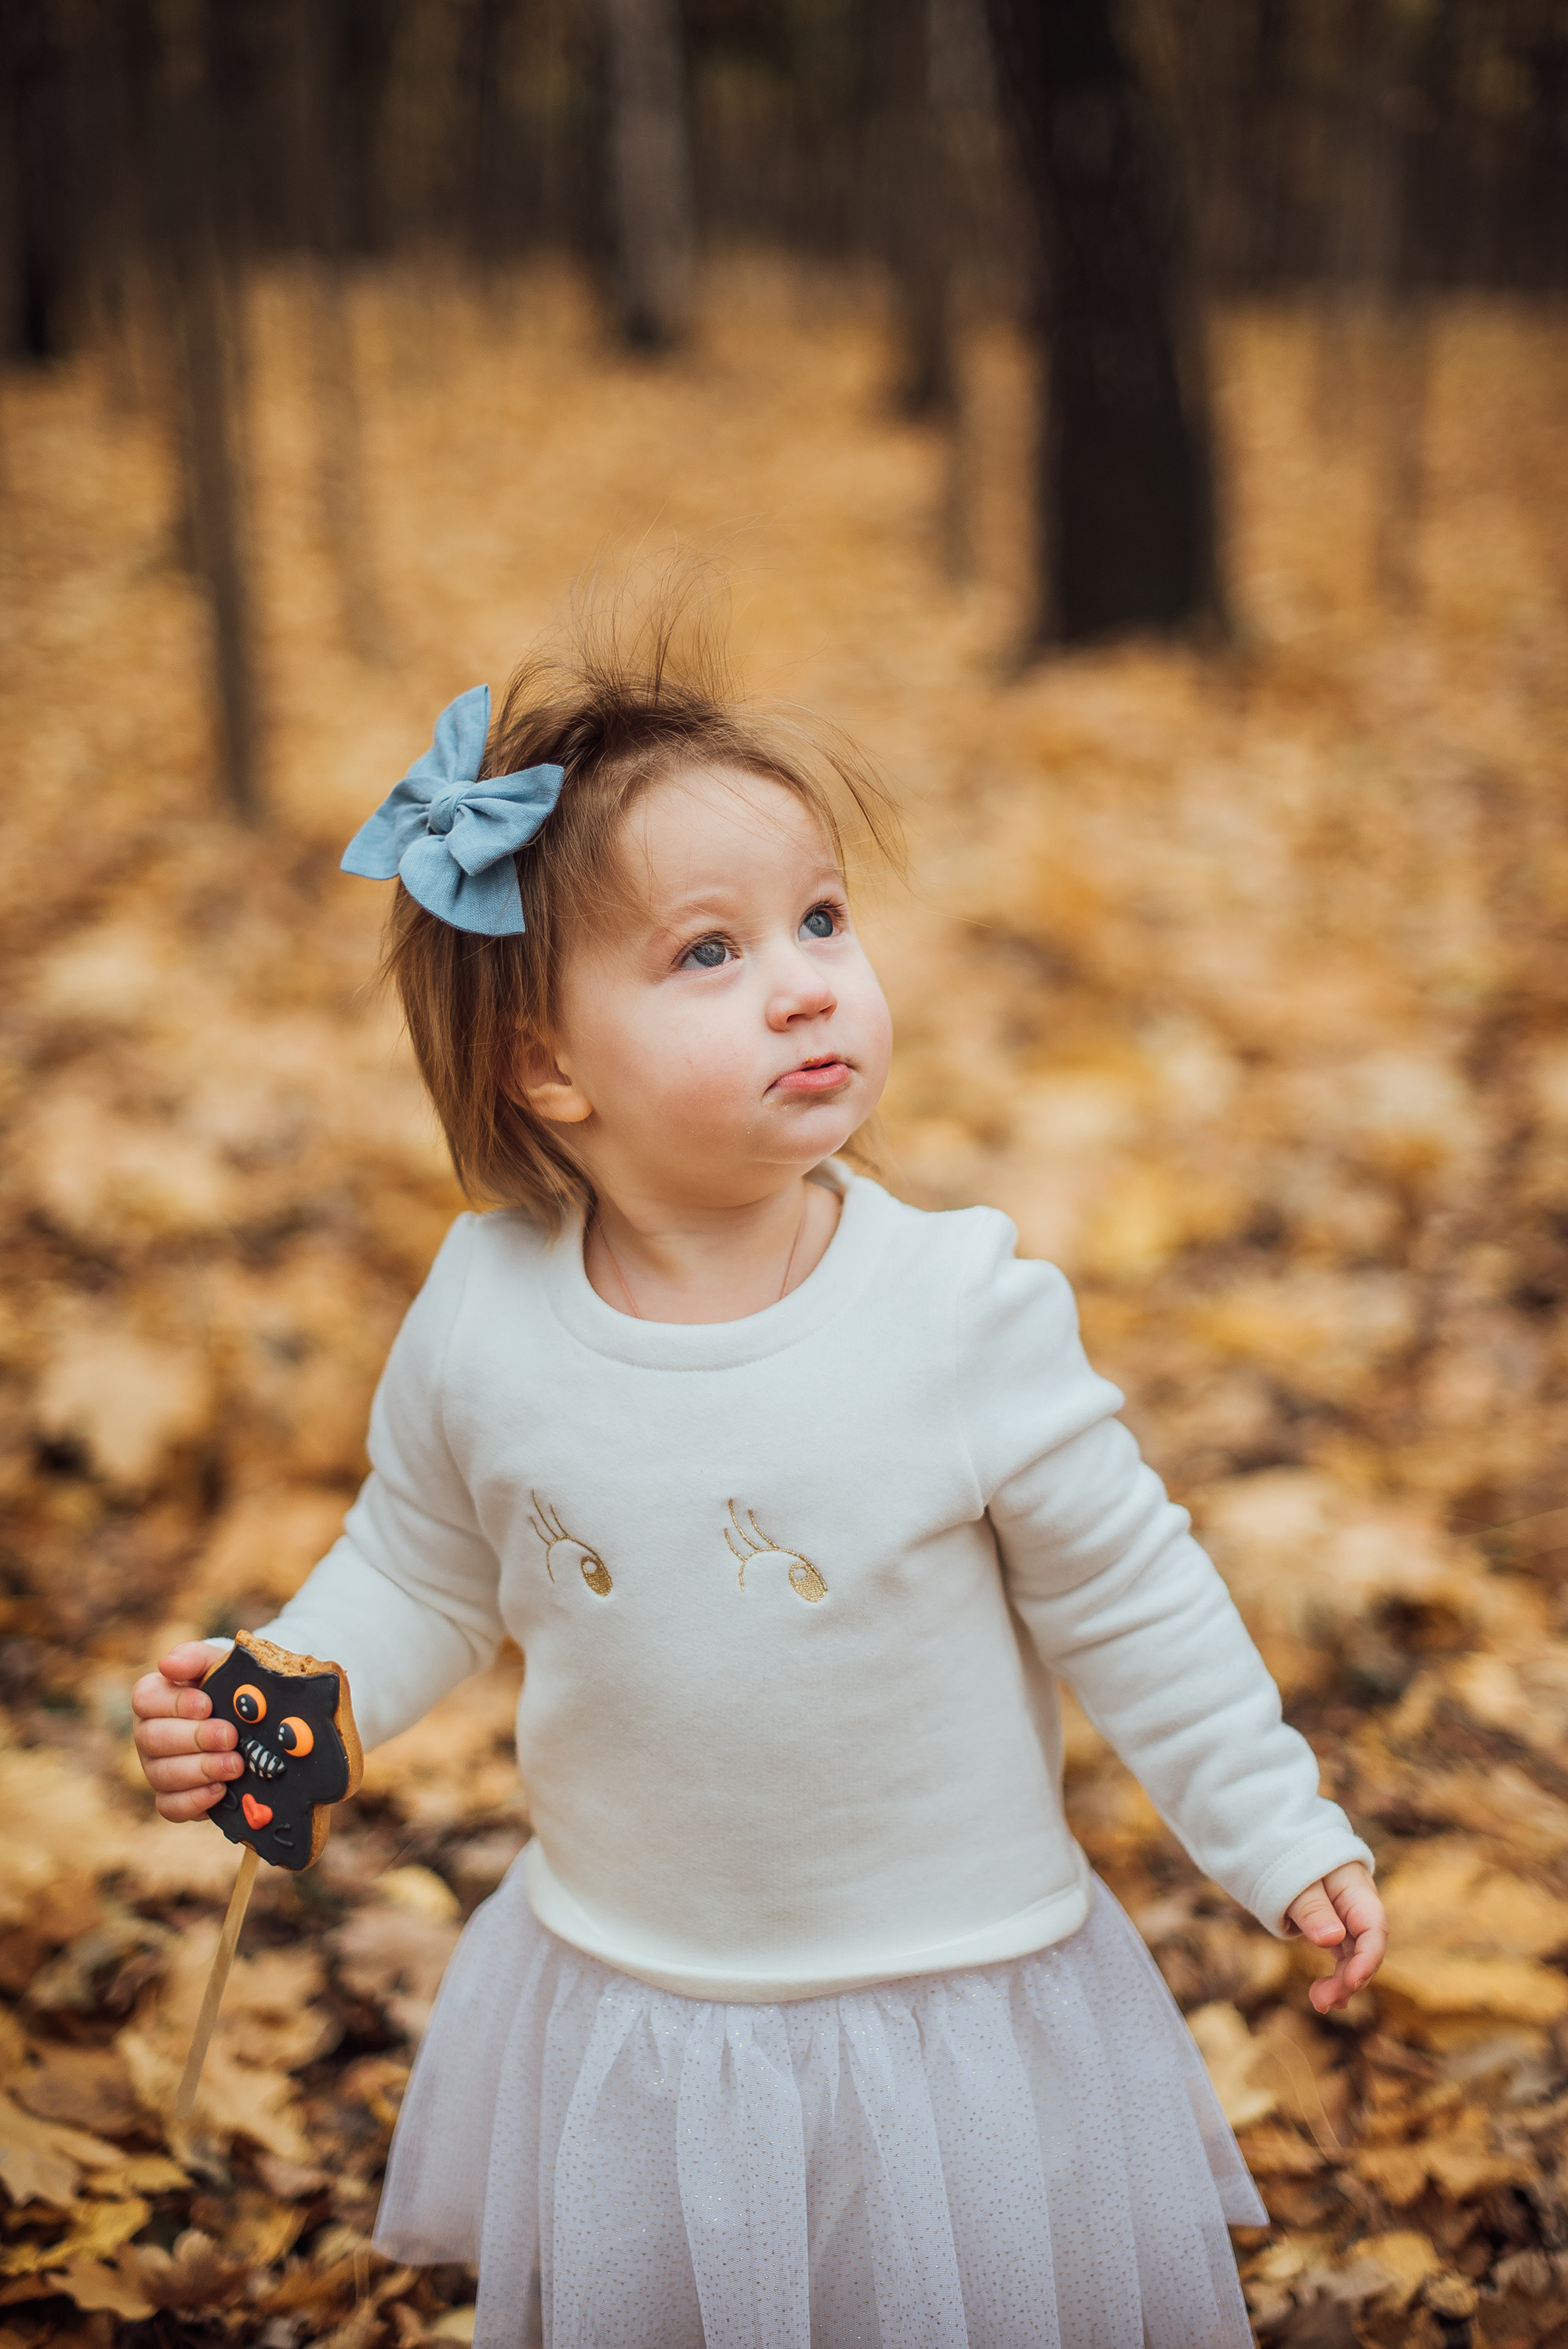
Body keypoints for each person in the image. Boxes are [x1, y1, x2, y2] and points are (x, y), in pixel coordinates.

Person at [132, 608, 1385, 2349]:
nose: (804, 978)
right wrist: (296, 1689)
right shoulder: (487, 1307)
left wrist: (1272, 1824)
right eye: (706, 954)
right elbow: (422, 1563)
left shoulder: (957, 1308)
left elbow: (1129, 1589)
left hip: (946, 1996)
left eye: (818, 920)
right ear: (546, 1064)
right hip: (640, 1987)